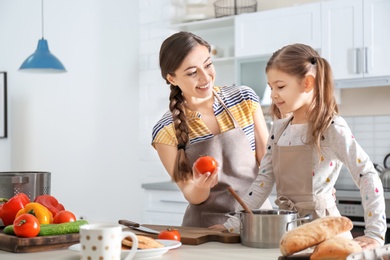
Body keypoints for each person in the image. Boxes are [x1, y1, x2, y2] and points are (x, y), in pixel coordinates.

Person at [221, 43, 386, 249]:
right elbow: (263, 182)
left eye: (280, 86)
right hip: (289, 233)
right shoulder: (278, 129)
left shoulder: (331, 127)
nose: (273, 94)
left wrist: (375, 233)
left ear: (307, 83)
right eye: (271, 87)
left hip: (326, 233)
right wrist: (232, 224)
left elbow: (367, 174)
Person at [151, 31, 272, 229]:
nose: (205, 77)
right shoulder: (165, 131)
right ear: (172, 78)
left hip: (258, 219)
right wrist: (199, 186)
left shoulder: (244, 99)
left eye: (208, 65)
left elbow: (268, 162)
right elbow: (191, 194)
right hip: (207, 230)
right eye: (192, 73)